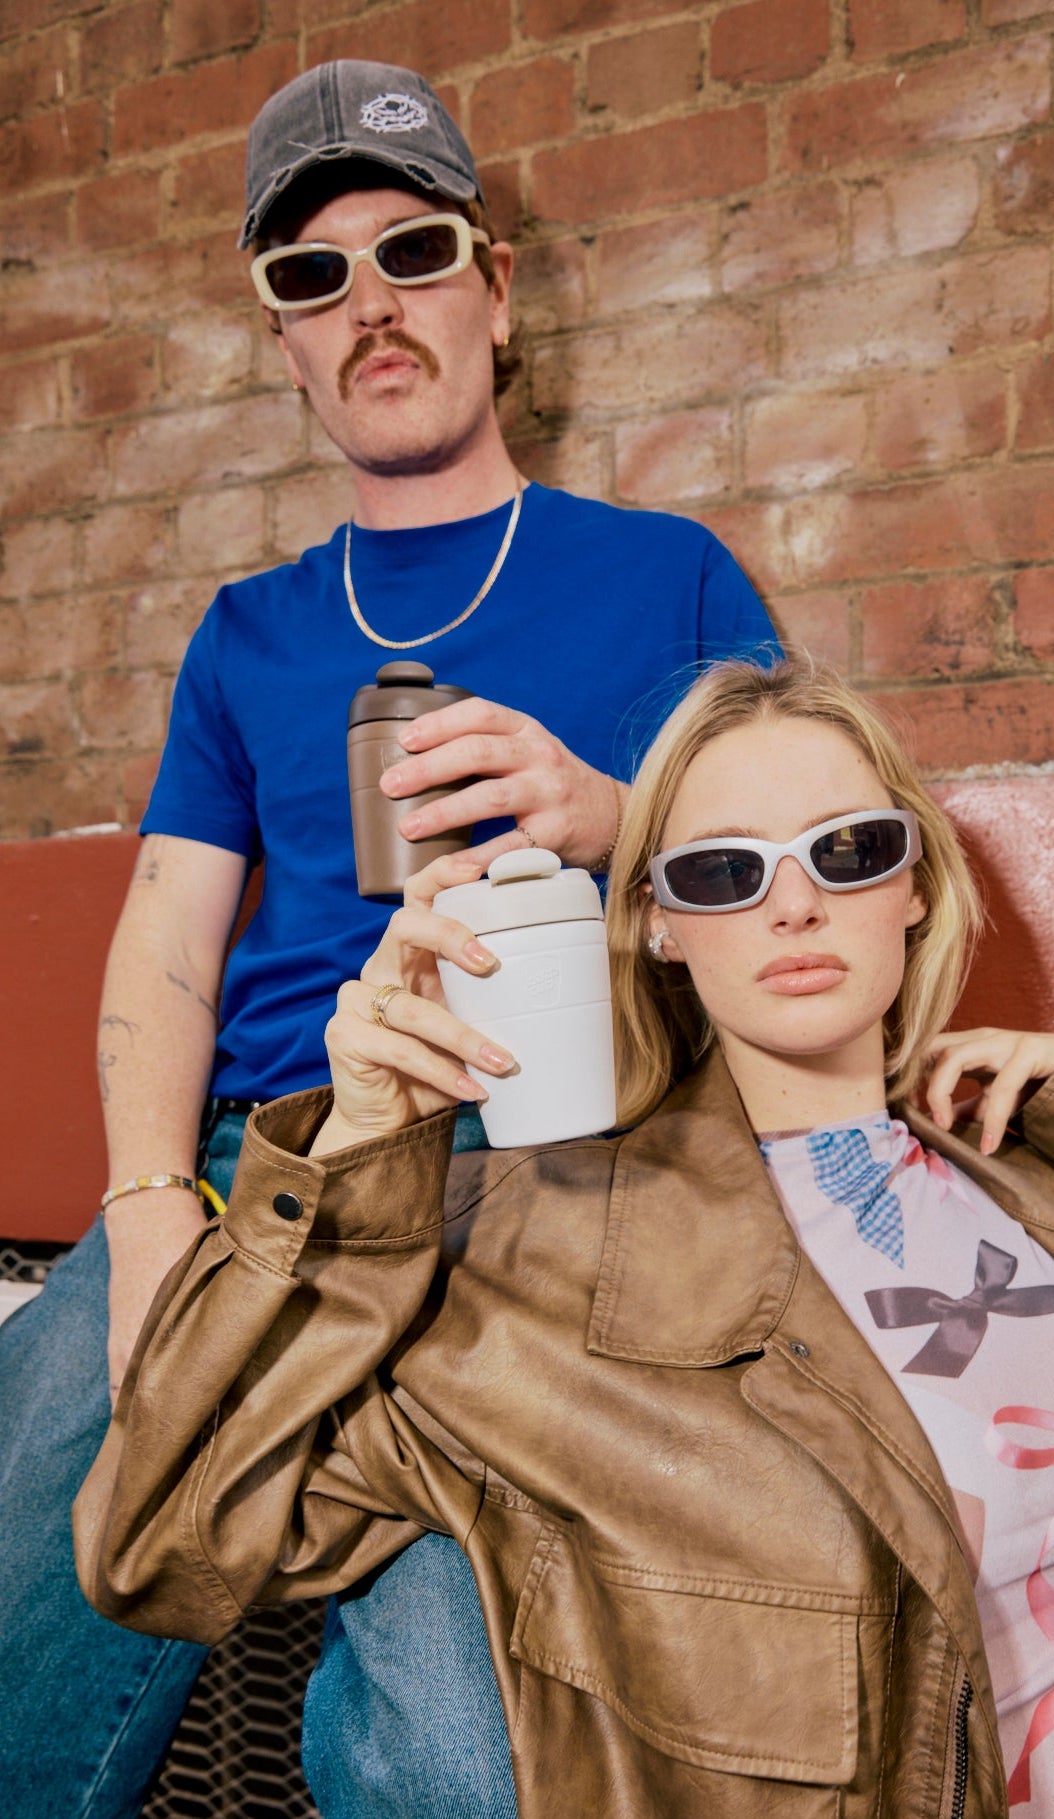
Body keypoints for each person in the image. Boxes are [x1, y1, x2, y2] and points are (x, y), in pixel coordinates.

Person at [0, 59, 775, 1819]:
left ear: (496, 289)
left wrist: (603, 809)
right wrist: (135, 1216)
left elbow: (816, 872)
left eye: (411, 251)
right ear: (281, 339)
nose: (368, 305)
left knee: (457, 1763)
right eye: (310, 275)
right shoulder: (248, 632)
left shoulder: (668, 575)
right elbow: (167, 945)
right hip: (264, 1173)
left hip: (561, 1175)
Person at [76, 656, 1054, 1818]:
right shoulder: (540, 1262)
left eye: (849, 848)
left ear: (913, 882)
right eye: (723, 869)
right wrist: (359, 1160)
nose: (794, 903)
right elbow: (157, 1539)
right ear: (660, 923)